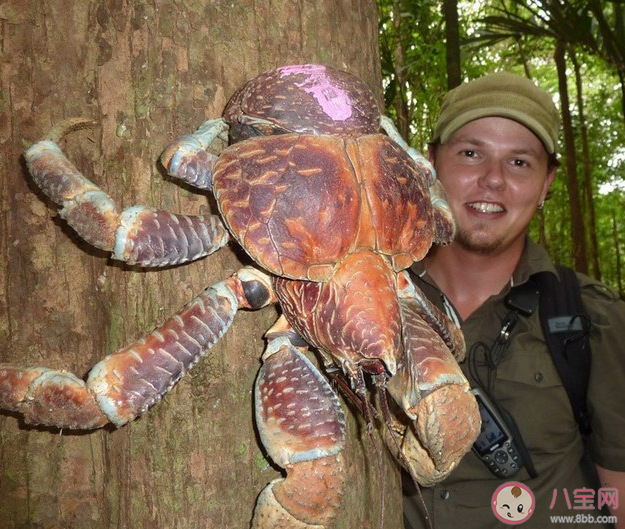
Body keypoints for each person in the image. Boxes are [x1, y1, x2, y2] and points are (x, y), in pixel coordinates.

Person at [402, 72, 625, 529]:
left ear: (546, 184)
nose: (493, 180)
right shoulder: (369, 302)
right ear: (429, 165)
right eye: (470, 153)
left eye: (520, 163)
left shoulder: (591, 317)